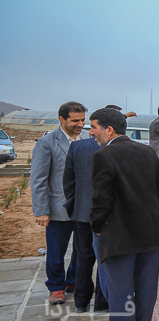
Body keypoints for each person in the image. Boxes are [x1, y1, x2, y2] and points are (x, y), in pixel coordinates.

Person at [88, 108, 159, 321]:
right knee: (146, 285)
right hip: (151, 232)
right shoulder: (148, 152)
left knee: (120, 288)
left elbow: (101, 199)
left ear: (109, 129)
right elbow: (157, 191)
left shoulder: (103, 156)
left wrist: (96, 225)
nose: (91, 132)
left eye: (94, 127)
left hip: (119, 234)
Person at [31, 101, 88, 304]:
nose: (80, 124)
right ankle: (56, 287)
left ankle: (73, 281)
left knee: (82, 250)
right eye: (75, 120)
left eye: (83, 120)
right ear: (62, 119)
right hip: (57, 208)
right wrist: (41, 210)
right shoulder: (46, 143)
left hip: (83, 207)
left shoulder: (88, 139)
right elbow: (38, 179)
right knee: (56, 251)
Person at [63, 136, 109, 313]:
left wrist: (75, 204)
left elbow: (68, 181)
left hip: (82, 212)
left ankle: (81, 302)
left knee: (83, 258)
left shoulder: (77, 147)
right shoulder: (113, 147)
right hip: (107, 215)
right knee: (105, 259)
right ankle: (102, 303)